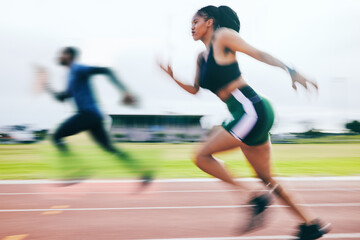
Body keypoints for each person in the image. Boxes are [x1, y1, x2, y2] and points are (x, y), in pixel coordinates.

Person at [159, 5, 330, 239]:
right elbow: (195, 89)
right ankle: (312, 224)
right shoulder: (201, 57)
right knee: (266, 177)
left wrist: (291, 71)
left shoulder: (223, 36)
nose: (192, 26)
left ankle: (253, 197)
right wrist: (172, 77)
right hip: (248, 112)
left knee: (201, 156)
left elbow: (258, 53)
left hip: (251, 109)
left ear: (210, 22)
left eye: (196, 21)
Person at [37, 47, 153, 188]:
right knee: (110, 148)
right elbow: (63, 97)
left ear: (68, 55)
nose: (59, 56)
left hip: (88, 114)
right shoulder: (70, 76)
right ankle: (144, 172)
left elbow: (107, 70)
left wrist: (125, 92)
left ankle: (77, 168)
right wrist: (47, 87)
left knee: (56, 136)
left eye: (61, 54)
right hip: (94, 116)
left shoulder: (78, 69)